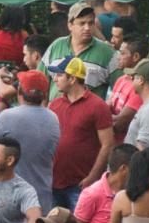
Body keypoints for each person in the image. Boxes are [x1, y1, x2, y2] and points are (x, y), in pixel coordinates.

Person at [0, 69, 60, 211]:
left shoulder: (8, 116)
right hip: (41, 195)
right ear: (45, 94)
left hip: (10, 195)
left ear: (19, 90)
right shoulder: (53, 118)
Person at [48, 56, 115, 211]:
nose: (55, 79)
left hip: (80, 184)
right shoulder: (55, 105)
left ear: (72, 79)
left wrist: (93, 176)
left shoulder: (98, 106)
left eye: (59, 75)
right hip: (54, 182)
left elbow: (108, 144)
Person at [42, 1, 116, 94]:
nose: (87, 28)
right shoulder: (56, 46)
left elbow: (121, 89)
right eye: (82, 23)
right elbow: (41, 82)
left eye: (91, 23)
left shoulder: (107, 52)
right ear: (70, 25)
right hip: (55, 108)